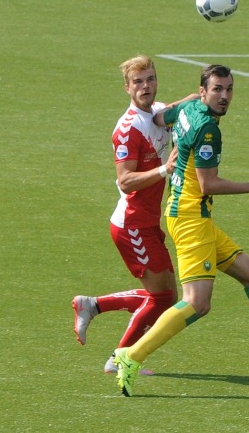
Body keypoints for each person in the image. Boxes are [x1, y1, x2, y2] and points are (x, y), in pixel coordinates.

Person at [112, 64, 249, 397]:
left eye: (229, 89)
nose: (224, 96)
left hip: (189, 215)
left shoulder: (187, 109)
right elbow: (208, 183)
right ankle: (131, 355)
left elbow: (159, 119)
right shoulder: (208, 130)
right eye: (217, 89)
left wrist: (185, 108)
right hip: (190, 221)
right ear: (204, 91)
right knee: (197, 303)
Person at [72, 55, 197, 374]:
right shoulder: (127, 130)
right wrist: (163, 169)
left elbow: (164, 116)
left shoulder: (156, 112)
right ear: (127, 88)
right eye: (138, 82)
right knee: (162, 298)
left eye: (151, 79)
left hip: (147, 222)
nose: (146, 87)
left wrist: (196, 99)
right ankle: (120, 359)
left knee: (166, 295)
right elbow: (125, 182)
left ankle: (94, 305)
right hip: (132, 226)